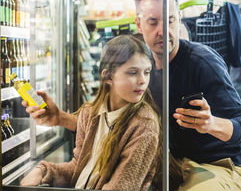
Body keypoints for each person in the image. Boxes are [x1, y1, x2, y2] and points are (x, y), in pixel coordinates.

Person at [23, 0, 241, 190]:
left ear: (179, 20)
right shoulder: (136, 61)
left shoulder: (203, 62)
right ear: (138, 24)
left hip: (216, 165)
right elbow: (110, 121)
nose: (163, 31)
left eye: (170, 20)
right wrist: (60, 118)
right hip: (166, 164)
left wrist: (211, 124)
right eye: (153, 22)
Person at [20, 35, 161, 191]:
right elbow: (79, 169)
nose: (142, 80)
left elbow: (121, 187)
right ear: (108, 76)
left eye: (147, 72)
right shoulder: (90, 113)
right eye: (133, 73)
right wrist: (44, 171)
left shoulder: (144, 125)